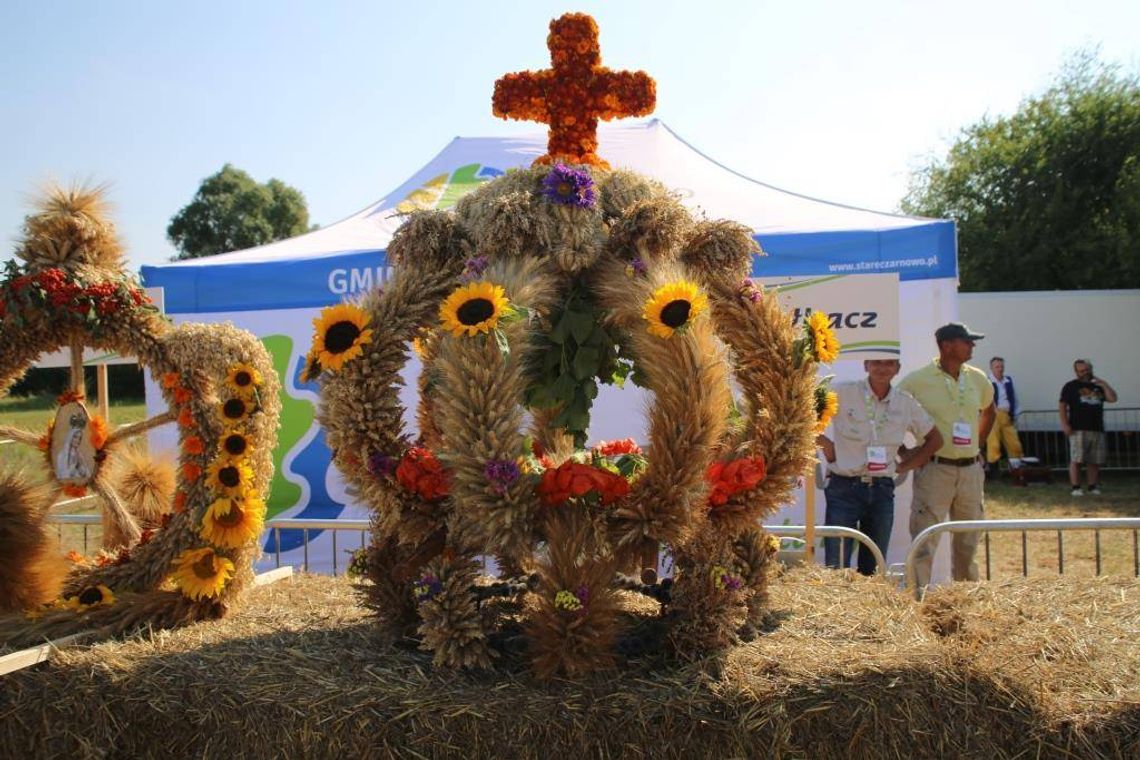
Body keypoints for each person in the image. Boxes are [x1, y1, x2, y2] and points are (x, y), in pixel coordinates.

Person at [816, 359, 942, 575]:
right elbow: (802, 417)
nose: (882, 369)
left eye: (889, 364)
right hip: (843, 488)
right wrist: (827, 446)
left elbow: (935, 439)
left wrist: (904, 466)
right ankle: (836, 608)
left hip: (882, 489)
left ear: (898, 369)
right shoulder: (843, 392)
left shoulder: (905, 403)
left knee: (873, 567)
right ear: (866, 366)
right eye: (876, 364)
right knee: (835, 566)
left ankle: (868, 607)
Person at [899, 322, 996, 589]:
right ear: (947, 345)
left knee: (968, 542)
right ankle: (917, 602)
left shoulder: (977, 377)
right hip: (935, 469)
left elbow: (990, 411)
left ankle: (965, 602)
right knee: (924, 541)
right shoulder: (917, 380)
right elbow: (892, 413)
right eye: (967, 341)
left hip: (970, 471)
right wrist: (905, 453)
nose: (972, 346)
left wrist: (978, 445)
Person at [1059, 359, 1118, 496]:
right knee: (1077, 459)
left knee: (1094, 460)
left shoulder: (1098, 387)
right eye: (1081, 371)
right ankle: (1076, 487)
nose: (1085, 373)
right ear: (1076, 372)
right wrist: (1065, 424)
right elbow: (1062, 405)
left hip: (1097, 428)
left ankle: (1092, 486)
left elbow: (1113, 398)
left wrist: (1104, 384)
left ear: (1090, 369)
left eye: (1087, 370)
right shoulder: (1071, 386)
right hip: (1077, 428)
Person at [986, 357, 1024, 470]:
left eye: (1001, 366)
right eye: (997, 367)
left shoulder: (1008, 381)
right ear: (992, 368)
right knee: (993, 444)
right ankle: (994, 470)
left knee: (1014, 442)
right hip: (993, 416)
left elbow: (1014, 398)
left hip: (1007, 415)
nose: (1000, 369)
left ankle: (1016, 469)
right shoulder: (987, 381)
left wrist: (1015, 414)